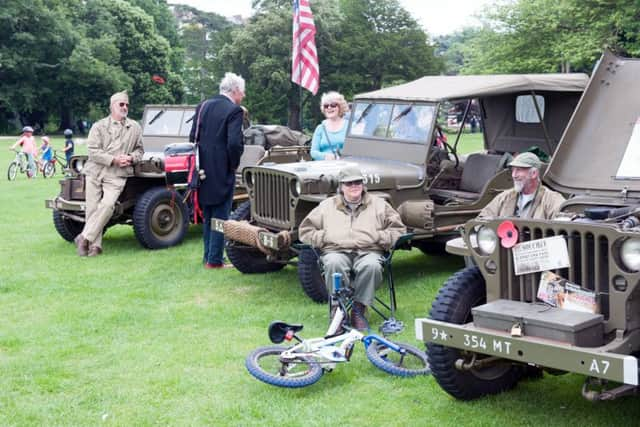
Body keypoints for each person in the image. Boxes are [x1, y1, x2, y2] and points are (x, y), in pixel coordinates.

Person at [299, 166, 406, 330]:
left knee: (371, 266)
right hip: (335, 251)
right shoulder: (326, 206)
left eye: (357, 182)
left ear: (363, 185)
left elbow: (398, 230)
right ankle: (338, 310)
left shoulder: (379, 205)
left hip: (369, 251)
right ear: (341, 187)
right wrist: (325, 237)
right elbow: (305, 231)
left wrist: (378, 237)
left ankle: (358, 310)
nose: (354, 186)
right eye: (349, 183)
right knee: (334, 264)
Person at [74, 91, 144, 257]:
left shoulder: (134, 127)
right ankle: (95, 247)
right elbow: (92, 151)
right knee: (92, 209)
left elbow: (140, 150)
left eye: (127, 105)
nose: (125, 107)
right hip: (95, 171)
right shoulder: (99, 126)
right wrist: (113, 159)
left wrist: (131, 158)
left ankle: (84, 237)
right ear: (112, 106)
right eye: (121, 104)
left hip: (118, 174)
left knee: (107, 205)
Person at [190, 72, 246, 269]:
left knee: (208, 214)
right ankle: (215, 260)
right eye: (243, 92)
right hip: (222, 168)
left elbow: (192, 138)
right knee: (221, 215)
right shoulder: (234, 111)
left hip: (202, 167)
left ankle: (209, 256)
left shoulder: (202, 106)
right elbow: (234, 143)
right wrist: (233, 164)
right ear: (236, 91)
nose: (243, 96)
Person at [478, 152, 565, 220]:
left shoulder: (551, 199)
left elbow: (566, 223)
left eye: (519, 170)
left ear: (534, 174)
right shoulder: (505, 197)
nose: (514, 175)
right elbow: (482, 219)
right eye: (513, 170)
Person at [310, 91, 349, 160]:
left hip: (343, 166)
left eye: (333, 105)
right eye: (326, 106)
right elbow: (313, 152)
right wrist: (325, 156)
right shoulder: (320, 128)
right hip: (323, 168)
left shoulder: (349, 126)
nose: (329, 108)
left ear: (340, 107)